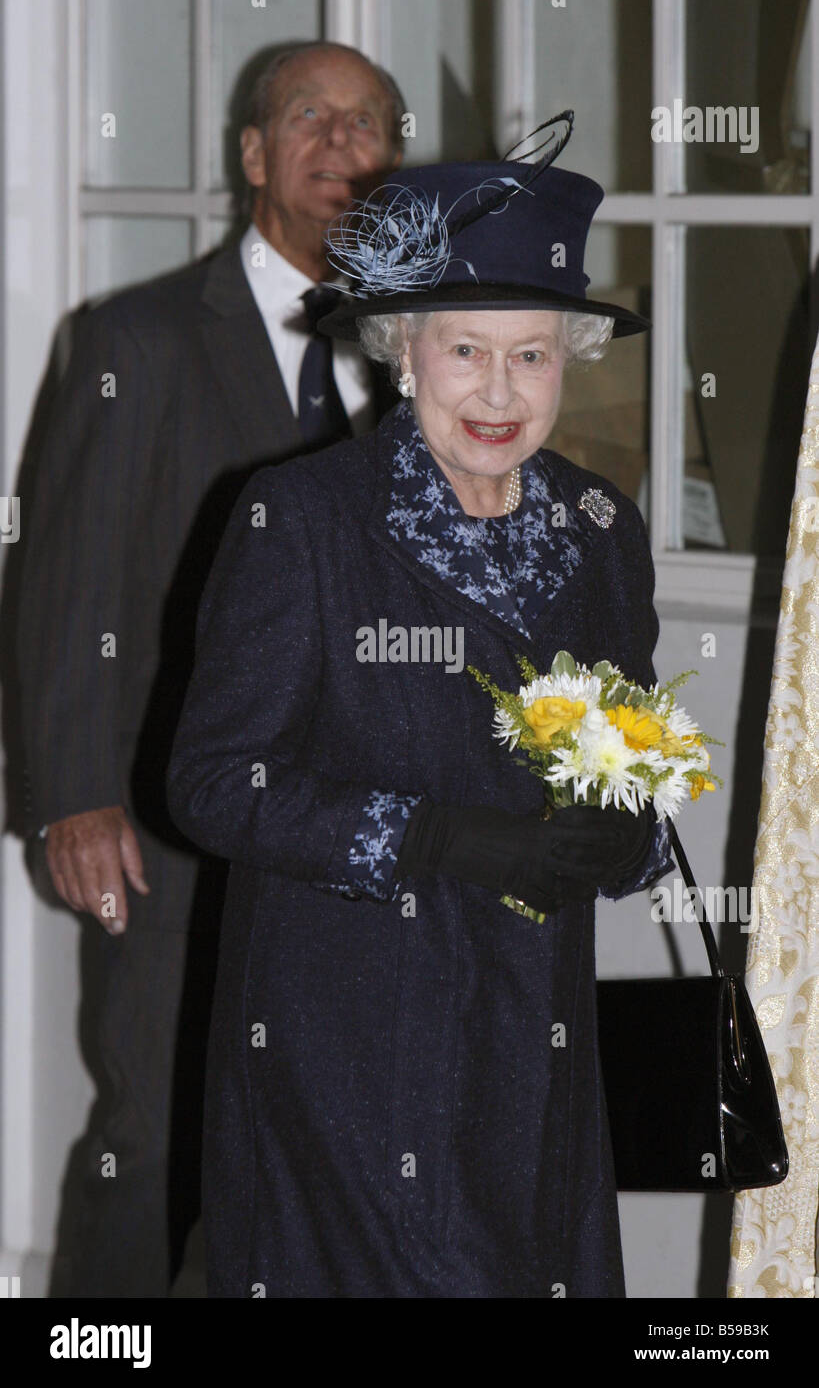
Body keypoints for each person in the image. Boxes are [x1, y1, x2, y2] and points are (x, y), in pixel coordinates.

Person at [166, 141, 674, 1298]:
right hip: (345, 1047)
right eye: (467, 351)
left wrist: (625, 833)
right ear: (403, 352)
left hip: (527, 1037)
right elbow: (211, 781)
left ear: (569, 363)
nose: (499, 393)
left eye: (532, 355)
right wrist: (435, 835)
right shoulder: (301, 520)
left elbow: (634, 754)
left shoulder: (602, 528)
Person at [17, 40, 405, 1298]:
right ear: (253, 154)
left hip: (358, 841)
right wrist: (74, 795)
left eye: (371, 126)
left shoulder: (423, 360)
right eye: (312, 118)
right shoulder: (133, 340)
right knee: (159, 1137)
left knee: (330, 1146)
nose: (344, 146)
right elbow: (63, 585)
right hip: (171, 832)